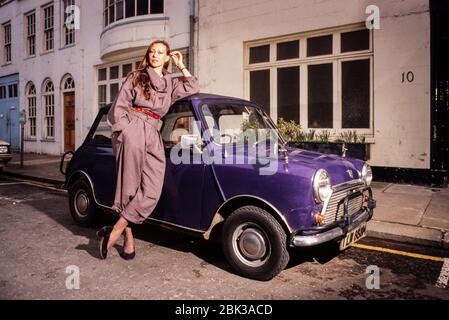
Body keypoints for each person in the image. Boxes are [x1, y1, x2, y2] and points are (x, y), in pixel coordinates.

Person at [97, 40, 199, 260]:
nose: (155, 55)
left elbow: (192, 86)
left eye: (160, 52)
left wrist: (181, 65)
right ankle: (129, 240)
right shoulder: (137, 76)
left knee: (152, 188)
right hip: (133, 127)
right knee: (129, 188)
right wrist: (125, 131)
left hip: (153, 131)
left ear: (167, 57)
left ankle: (114, 229)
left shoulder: (171, 82)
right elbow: (118, 107)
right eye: (152, 52)